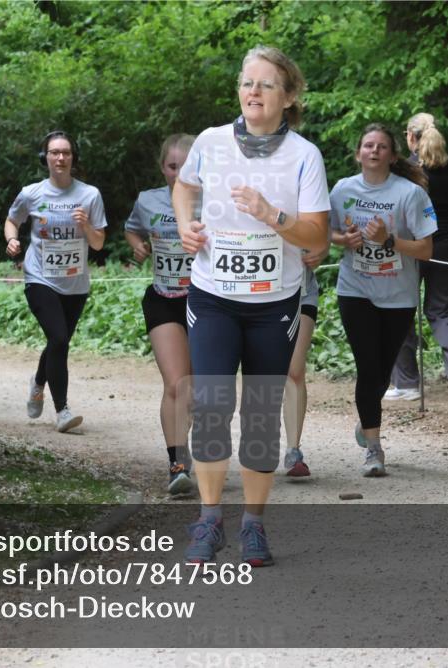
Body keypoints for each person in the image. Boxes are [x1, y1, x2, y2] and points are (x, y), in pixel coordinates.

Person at [173, 46, 330, 565]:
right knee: (212, 404)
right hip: (213, 296)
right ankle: (209, 519)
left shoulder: (304, 155)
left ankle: (254, 525)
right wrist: (186, 226)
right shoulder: (211, 141)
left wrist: (272, 214)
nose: (254, 92)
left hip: (274, 303)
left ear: (289, 96)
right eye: (247, 82)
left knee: (261, 411)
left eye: (266, 84)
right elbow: (184, 187)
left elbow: (317, 236)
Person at [331, 124, 436, 476]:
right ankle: (374, 450)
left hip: (398, 295)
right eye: (368, 145)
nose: (374, 151)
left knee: (380, 373)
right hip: (355, 289)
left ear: (392, 156)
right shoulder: (342, 189)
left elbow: (426, 249)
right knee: (367, 367)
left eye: (381, 146)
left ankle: (367, 420)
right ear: (358, 153)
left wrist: (388, 240)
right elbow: (326, 232)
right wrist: (344, 240)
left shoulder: (411, 194)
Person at [5, 130, 107, 433]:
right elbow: (12, 220)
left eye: (66, 152)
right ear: (45, 157)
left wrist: (85, 226)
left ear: (73, 157)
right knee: (60, 339)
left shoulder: (90, 195)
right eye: (54, 152)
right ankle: (62, 410)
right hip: (40, 278)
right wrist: (12, 240)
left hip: (75, 284)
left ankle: (38, 382)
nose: (60, 158)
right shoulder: (31, 193)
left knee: (57, 342)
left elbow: (99, 243)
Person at [124, 133, 197, 495]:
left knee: (197, 391)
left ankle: (188, 444)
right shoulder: (148, 200)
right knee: (175, 384)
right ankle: (177, 463)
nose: (178, 173)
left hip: (207, 303)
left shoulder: (215, 200)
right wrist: (138, 246)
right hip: (164, 299)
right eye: (172, 166)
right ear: (162, 167)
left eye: (186, 166)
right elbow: (132, 229)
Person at [386, 113, 448, 401]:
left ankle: (407, 382)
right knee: (442, 310)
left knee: (400, 309)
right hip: (447, 247)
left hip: (413, 247)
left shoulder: (406, 169)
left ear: (411, 137)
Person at [282, 248, 328, 478]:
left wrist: (321, 251)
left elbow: (325, 235)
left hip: (301, 292)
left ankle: (293, 451)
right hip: (251, 296)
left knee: (295, 370)